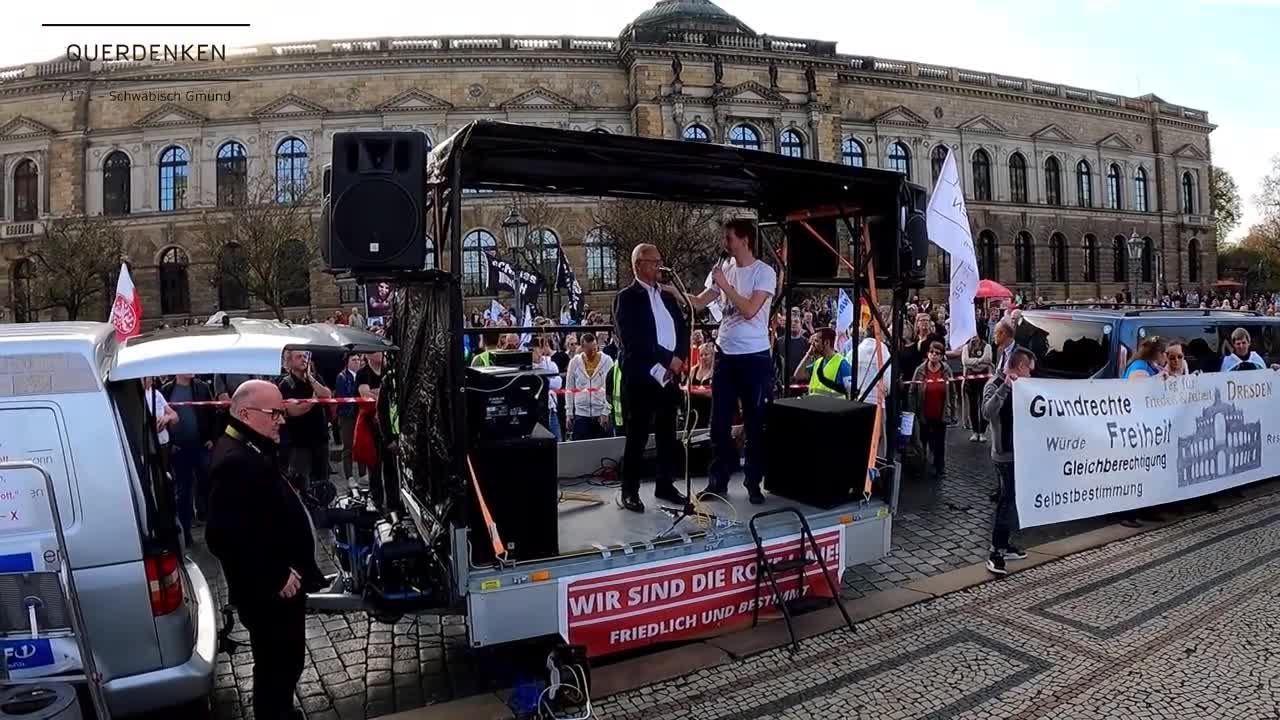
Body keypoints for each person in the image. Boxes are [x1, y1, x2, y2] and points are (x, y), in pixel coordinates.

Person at [206, 380, 324, 720]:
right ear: (245, 413)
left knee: (284, 663)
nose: (281, 420)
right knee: (277, 665)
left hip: (277, 590)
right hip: (269, 594)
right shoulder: (235, 460)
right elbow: (221, 535)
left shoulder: (250, 447)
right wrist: (275, 576)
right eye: (274, 413)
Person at [684, 219, 777, 504]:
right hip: (726, 355)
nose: (726, 243)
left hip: (754, 356)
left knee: (754, 421)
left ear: (745, 239)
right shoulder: (724, 270)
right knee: (718, 422)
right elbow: (700, 302)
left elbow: (750, 310)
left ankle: (753, 481)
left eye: (730, 238)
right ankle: (718, 480)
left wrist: (726, 285)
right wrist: (674, 291)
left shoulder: (764, 272)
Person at [613, 244, 690, 512]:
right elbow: (634, 339)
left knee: (668, 432)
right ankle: (630, 491)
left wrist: (679, 357)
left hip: (669, 378)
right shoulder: (627, 297)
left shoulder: (667, 296)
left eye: (660, 260)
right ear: (639, 265)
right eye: (654, 261)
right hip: (642, 376)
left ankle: (665, 484)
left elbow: (681, 327)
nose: (660, 265)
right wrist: (667, 359)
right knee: (637, 435)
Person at [982, 348, 1035, 575]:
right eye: (1030, 370)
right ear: (1021, 367)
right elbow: (987, 412)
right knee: (1006, 502)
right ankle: (995, 552)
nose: (1032, 375)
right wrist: (1005, 388)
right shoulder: (995, 383)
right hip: (1004, 454)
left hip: (1020, 451)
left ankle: (1004, 544)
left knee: (1011, 500)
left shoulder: (1025, 386)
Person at [162, 373, 218, 545]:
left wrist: (211, 438)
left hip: (201, 446)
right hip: (179, 450)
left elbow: (212, 413)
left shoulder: (202, 387)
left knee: (209, 487)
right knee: (183, 493)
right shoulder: (166, 390)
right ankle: (185, 533)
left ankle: (214, 529)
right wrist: (170, 444)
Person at [277, 351, 334, 493]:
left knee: (322, 479)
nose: (303, 360)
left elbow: (327, 395)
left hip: (320, 438)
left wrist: (311, 378)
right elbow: (294, 411)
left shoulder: (315, 378)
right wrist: (313, 401)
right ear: (289, 362)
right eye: (299, 357)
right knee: (300, 480)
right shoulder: (286, 384)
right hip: (300, 441)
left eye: (305, 357)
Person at [356, 351, 398, 510]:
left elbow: (389, 393)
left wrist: (379, 392)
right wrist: (383, 391)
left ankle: (393, 502)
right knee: (374, 465)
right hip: (370, 424)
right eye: (374, 351)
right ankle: (377, 500)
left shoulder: (390, 371)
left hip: (388, 423)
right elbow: (366, 394)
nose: (379, 354)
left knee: (391, 466)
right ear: (366, 355)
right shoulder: (363, 373)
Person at [912, 341, 955, 478]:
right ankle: (921, 466)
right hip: (924, 412)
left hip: (940, 412)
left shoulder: (946, 370)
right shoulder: (920, 370)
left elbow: (952, 393)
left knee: (939, 442)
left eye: (938, 353)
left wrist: (952, 412)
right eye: (932, 352)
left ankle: (939, 467)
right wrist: (912, 410)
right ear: (928, 354)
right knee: (922, 440)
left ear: (942, 356)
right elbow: (912, 391)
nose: (934, 355)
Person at [565, 332, 614, 441]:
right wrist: (569, 412)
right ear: (582, 348)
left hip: (601, 413)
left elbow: (611, 389)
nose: (593, 353)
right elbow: (569, 388)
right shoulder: (574, 363)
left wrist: (606, 411)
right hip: (581, 414)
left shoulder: (607, 361)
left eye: (595, 349)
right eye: (589, 350)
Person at [793, 327, 852, 397]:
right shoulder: (818, 362)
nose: (813, 345)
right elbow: (798, 376)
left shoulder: (843, 364)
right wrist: (808, 354)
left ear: (827, 343)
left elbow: (850, 392)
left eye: (816, 341)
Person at [334, 353, 363, 486]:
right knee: (348, 446)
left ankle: (363, 474)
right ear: (347, 362)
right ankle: (349, 475)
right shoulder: (342, 376)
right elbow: (343, 396)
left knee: (361, 444)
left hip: (360, 414)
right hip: (347, 415)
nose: (357, 362)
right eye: (354, 360)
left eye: (358, 359)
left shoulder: (362, 375)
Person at [961, 334, 993, 442]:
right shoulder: (966, 347)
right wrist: (979, 361)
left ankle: (983, 431)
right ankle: (975, 431)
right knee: (973, 406)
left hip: (984, 380)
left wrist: (973, 363)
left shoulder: (987, 346)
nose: (973, 337)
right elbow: (965, 361)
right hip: (970, 381)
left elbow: (988, 360)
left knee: (983, 405)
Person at [531, 338, 564, 441]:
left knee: (557, 439)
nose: (531, 352)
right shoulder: (527, 366)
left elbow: (558, 383)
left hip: (551, 408)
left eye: (533, 349)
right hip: (536, 410)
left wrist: (543, 381)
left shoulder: (550, 364)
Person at [143, 376, 179, 467]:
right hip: (147, 445)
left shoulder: (156, 393)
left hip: (163, 443)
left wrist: (166, 418)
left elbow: (175, 416)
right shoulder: (136, 395)